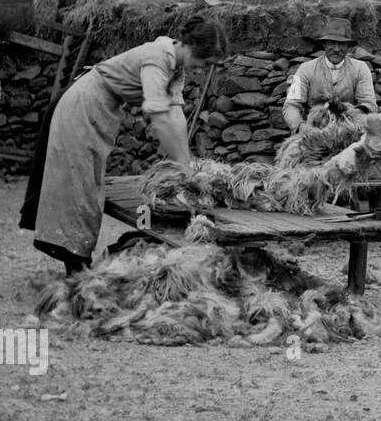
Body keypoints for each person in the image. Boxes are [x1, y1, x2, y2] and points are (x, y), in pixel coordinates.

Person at [19, 15, 229, 274]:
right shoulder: (157, 59)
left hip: (100, 106)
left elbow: (175, 117)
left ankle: (78, 260)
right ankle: (76, 265)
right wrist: (184, 172)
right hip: (84, 104)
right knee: (80, 184)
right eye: (203, 62)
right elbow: (160, 120)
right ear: (190, 47)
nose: (202, 68)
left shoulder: (175, 68)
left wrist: (187, 164)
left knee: (87, 181)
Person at [282, 18, 378, 131]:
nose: (336, 49)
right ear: (324, 44)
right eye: (332, 43)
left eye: (342, 44)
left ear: (348, 46)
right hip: (312, 131)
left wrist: (348, 112)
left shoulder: (361, 68)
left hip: (349, 130)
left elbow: (369, 104)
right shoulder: (304, 69)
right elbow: (290, 105)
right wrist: (301, 127)